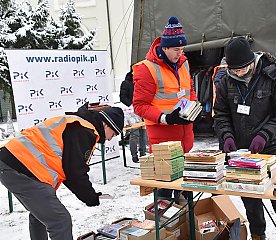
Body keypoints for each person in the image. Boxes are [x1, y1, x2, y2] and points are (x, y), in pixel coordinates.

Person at [213, 37, 276, 240]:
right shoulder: (226, 81)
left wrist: (265, 134)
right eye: (234, 69)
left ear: (251, 61)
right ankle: (257, 235)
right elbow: (221, 115)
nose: (238, 73)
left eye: (242, 68)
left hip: (271, 150)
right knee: (251, 202)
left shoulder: (273, 77)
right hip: (242, 154)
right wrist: (226, 135)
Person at [0, 103, 124, 240]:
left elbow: (69, 167)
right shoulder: (84, 130)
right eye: (113, 133)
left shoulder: (79, 123)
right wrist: (90, 197)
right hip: (20, 167)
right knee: (60, 220)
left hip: (14, 163)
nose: (111, 138)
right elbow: (75, 172)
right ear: (106, 124)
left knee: (41, 214)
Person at [133, 16, 197, 199]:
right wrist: (165, 118)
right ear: (165, 47)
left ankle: (186, 225)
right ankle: (168, 226)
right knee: (165, 198)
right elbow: (139, 106)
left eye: (182, 49)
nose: (180, 53)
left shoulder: (183, 62)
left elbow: (189, 90)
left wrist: (194, 107)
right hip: (163, 143)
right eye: (176, 50)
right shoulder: (147, 69)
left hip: (185, 137)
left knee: (186, 194)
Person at [120, 70, 147, 163]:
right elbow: (122, 97)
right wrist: (131, 105)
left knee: (143, 133)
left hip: (142, 110)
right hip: (132, 112)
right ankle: (134, 155)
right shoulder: (126, 83)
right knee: (134, 134)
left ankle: (143, 153)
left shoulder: (141, 82)